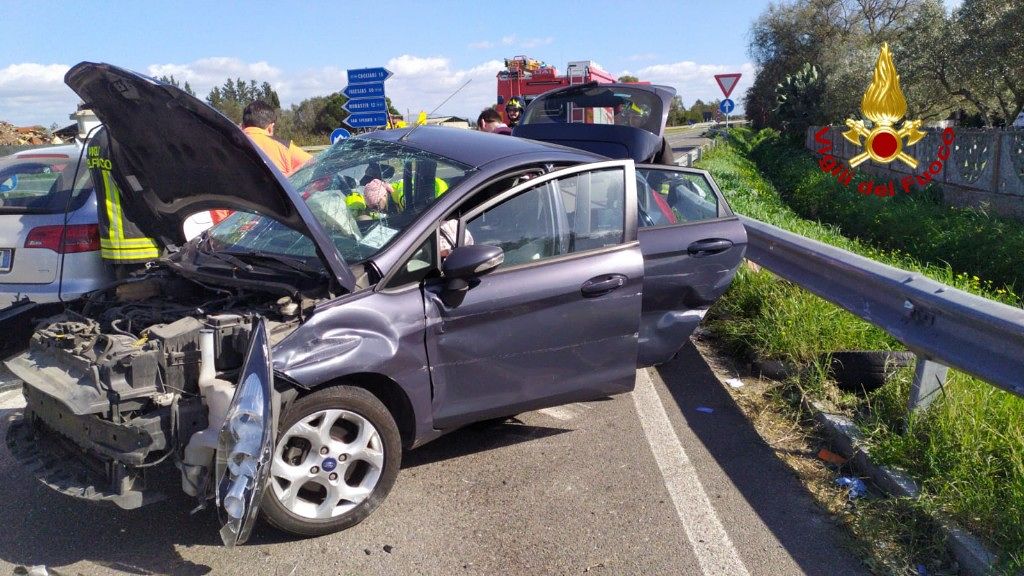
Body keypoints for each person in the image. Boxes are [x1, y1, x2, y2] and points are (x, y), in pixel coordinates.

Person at [87, 127, 161, 277]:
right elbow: (145, 192)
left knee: (124, 295)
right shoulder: (126, 139)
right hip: (141, 242)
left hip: (115, 244)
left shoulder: (97, 139)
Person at [241, 100, 312, 176]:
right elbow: (315, 165)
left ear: (243, 126)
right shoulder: (285, 147)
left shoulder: (229, 143)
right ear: (270, 128)